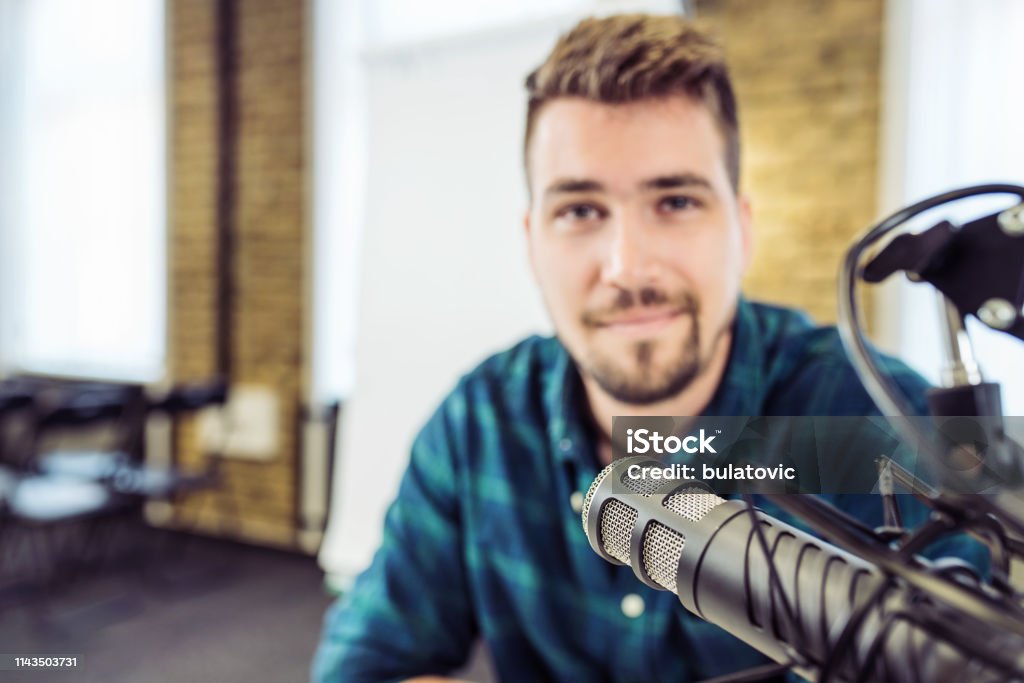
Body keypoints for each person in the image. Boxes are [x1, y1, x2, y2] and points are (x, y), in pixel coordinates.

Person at [312, 14, 980, 682]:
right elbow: (362, 665)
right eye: (579, 211)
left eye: (676, 201)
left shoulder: (884, 426)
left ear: (741, 230)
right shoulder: (477, 424)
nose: (627, 267)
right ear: (532, 240)